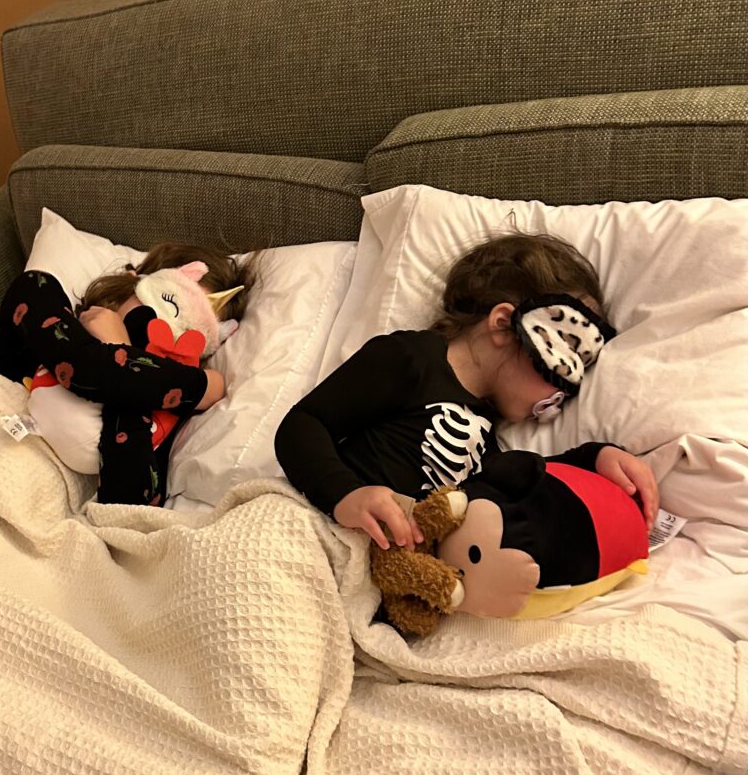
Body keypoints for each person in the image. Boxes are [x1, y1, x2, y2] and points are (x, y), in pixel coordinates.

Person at [274, 232, 659, 551]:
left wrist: (595, 458)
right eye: (560, 368)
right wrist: (345, 495)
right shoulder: (413, 358)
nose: (556, 402)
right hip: (307, 524)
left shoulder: (484, 441)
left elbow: (527, 475)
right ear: (504, 325)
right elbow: (304, 424)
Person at [0, 242, 255, 505]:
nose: (162, 329)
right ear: (133, 281)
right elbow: (86, 369)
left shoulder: (160, 413)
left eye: (186, 335)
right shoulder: (39, 295)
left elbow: (127, 506)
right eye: (163, 306)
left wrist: (135, 371)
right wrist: (200, 388)